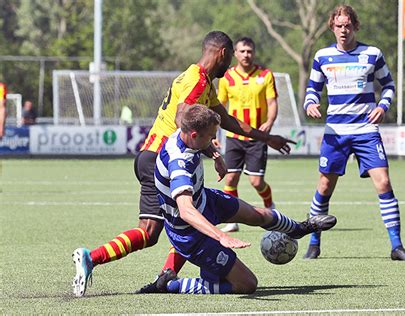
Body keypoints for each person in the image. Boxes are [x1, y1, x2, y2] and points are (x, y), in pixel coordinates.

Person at [72, 31, 296, 297]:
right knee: (156, 229)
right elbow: (182, 116)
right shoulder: (197, 82)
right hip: (161, 160)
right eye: (230, 57)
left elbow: (228, 121)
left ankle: (167, 276)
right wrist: (207, 148)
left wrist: (265, 137)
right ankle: (92, 257)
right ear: (223, 54)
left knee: (178, 222)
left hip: (154, 156)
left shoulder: (201, 81)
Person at [139, 104, 337, 294]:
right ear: (194, 135)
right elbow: (186, 211)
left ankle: (299, 229)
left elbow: (184, 113)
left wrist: (214, 154)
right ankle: (171, 285)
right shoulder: (179, 163)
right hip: (190, 232)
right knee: (247, 284)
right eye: (211, 137)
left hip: (206, 200)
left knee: (259, 215)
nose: (213, 141)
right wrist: (221, 236)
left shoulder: (184, 131)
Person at [302, 5, 405, 261]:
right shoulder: (322, 56)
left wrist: (383, 106)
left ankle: (396, 246)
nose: (344, 30)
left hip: (366, 130)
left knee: (384, 182)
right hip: (335, 132)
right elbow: (313, 88)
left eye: (348, 25)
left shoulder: (372, 54)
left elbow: (388, 85)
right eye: (339, 26)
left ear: (355, 26)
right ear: (332, 27)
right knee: (324, 186)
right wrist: (310, 103)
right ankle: (314, 241)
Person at [218, 37, 278, 233]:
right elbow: (219, 108)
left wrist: (269, 122)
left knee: (256, 181)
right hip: (234, 137)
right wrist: (212, 134)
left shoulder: (265, 75)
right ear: (235, 53)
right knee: (230, 179)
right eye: (242, 51)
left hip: (257, 137)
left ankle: (270, 207)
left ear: (254, 53)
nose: (246, 55)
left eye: (249, 51)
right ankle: (232, 219)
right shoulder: (227, 78)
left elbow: (272, 103)